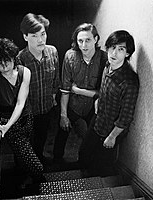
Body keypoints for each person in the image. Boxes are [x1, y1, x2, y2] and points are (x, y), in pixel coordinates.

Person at [78, 30, 140, 177]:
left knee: (101, 165)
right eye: (112, 47)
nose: (114, 53)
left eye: (121, 49)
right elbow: (103, 87)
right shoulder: (108, 65)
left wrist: (112, 137)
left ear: (127, 53)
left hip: (111, 130)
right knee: (84, 153)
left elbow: (126, 116)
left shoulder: (129, 81)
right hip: (98, 119)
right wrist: (99, 99)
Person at [0, 38, 44, 185]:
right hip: (9, 124)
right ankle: (39, 183)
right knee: (37, 167)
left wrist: (7, 125)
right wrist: (1, 125)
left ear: (13, 57)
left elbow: (20, 103)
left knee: (26, 150)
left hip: (25, 116)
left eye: (7, 60)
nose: (4, 66)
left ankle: (22, 171)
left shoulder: (25, 72)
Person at [53, 23, 107, 163]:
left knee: (92, 137)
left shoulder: (104, 59)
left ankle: (88, 165)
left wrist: (78, 90)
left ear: (95, 39)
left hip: (91, 107)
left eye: (88, 40)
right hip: (72, 104)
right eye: (80, 41)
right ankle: (57, 162)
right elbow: (65, 89)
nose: (84, 45)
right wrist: (63, 115)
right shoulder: (70, 56)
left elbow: (103, 93)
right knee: (62, 132)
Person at [16, 13, 60, 164]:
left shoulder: (53, 51)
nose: (40, 40)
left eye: (43, 34)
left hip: (46, 109)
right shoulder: (20, 59)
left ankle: (39, 161)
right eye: (34, 35)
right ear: (25, 37)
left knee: (41, 139)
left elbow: (56, 79)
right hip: (27, 113)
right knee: (26, 146)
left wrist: (53, 97)